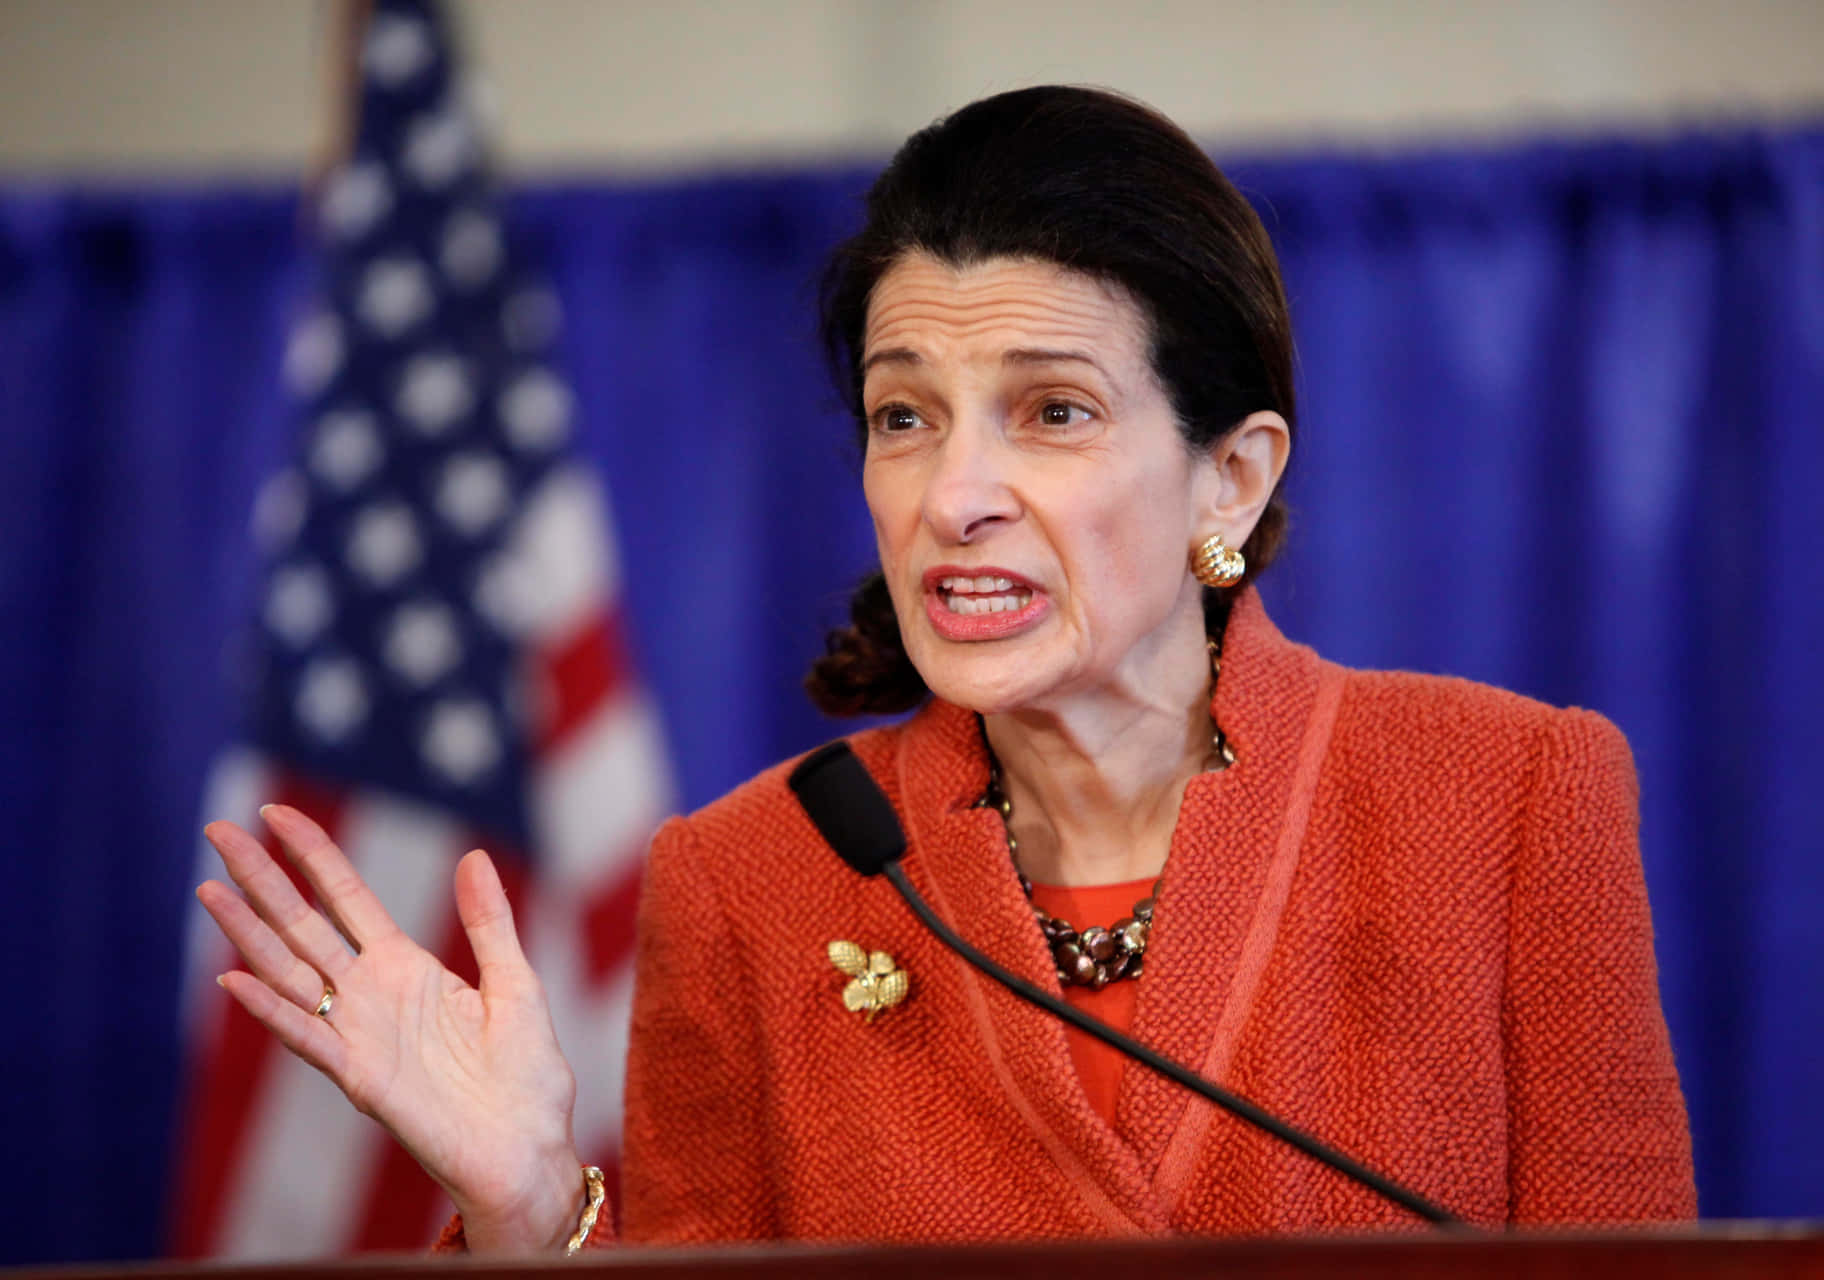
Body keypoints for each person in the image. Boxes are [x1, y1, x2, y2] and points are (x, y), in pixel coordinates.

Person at [195, 85, 1695, 1253]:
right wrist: (533, 1214)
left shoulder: (1506, 804)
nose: (951, 493)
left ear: (1229, 481)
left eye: (1050, 412)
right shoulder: (759, 880)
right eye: (904, 416)